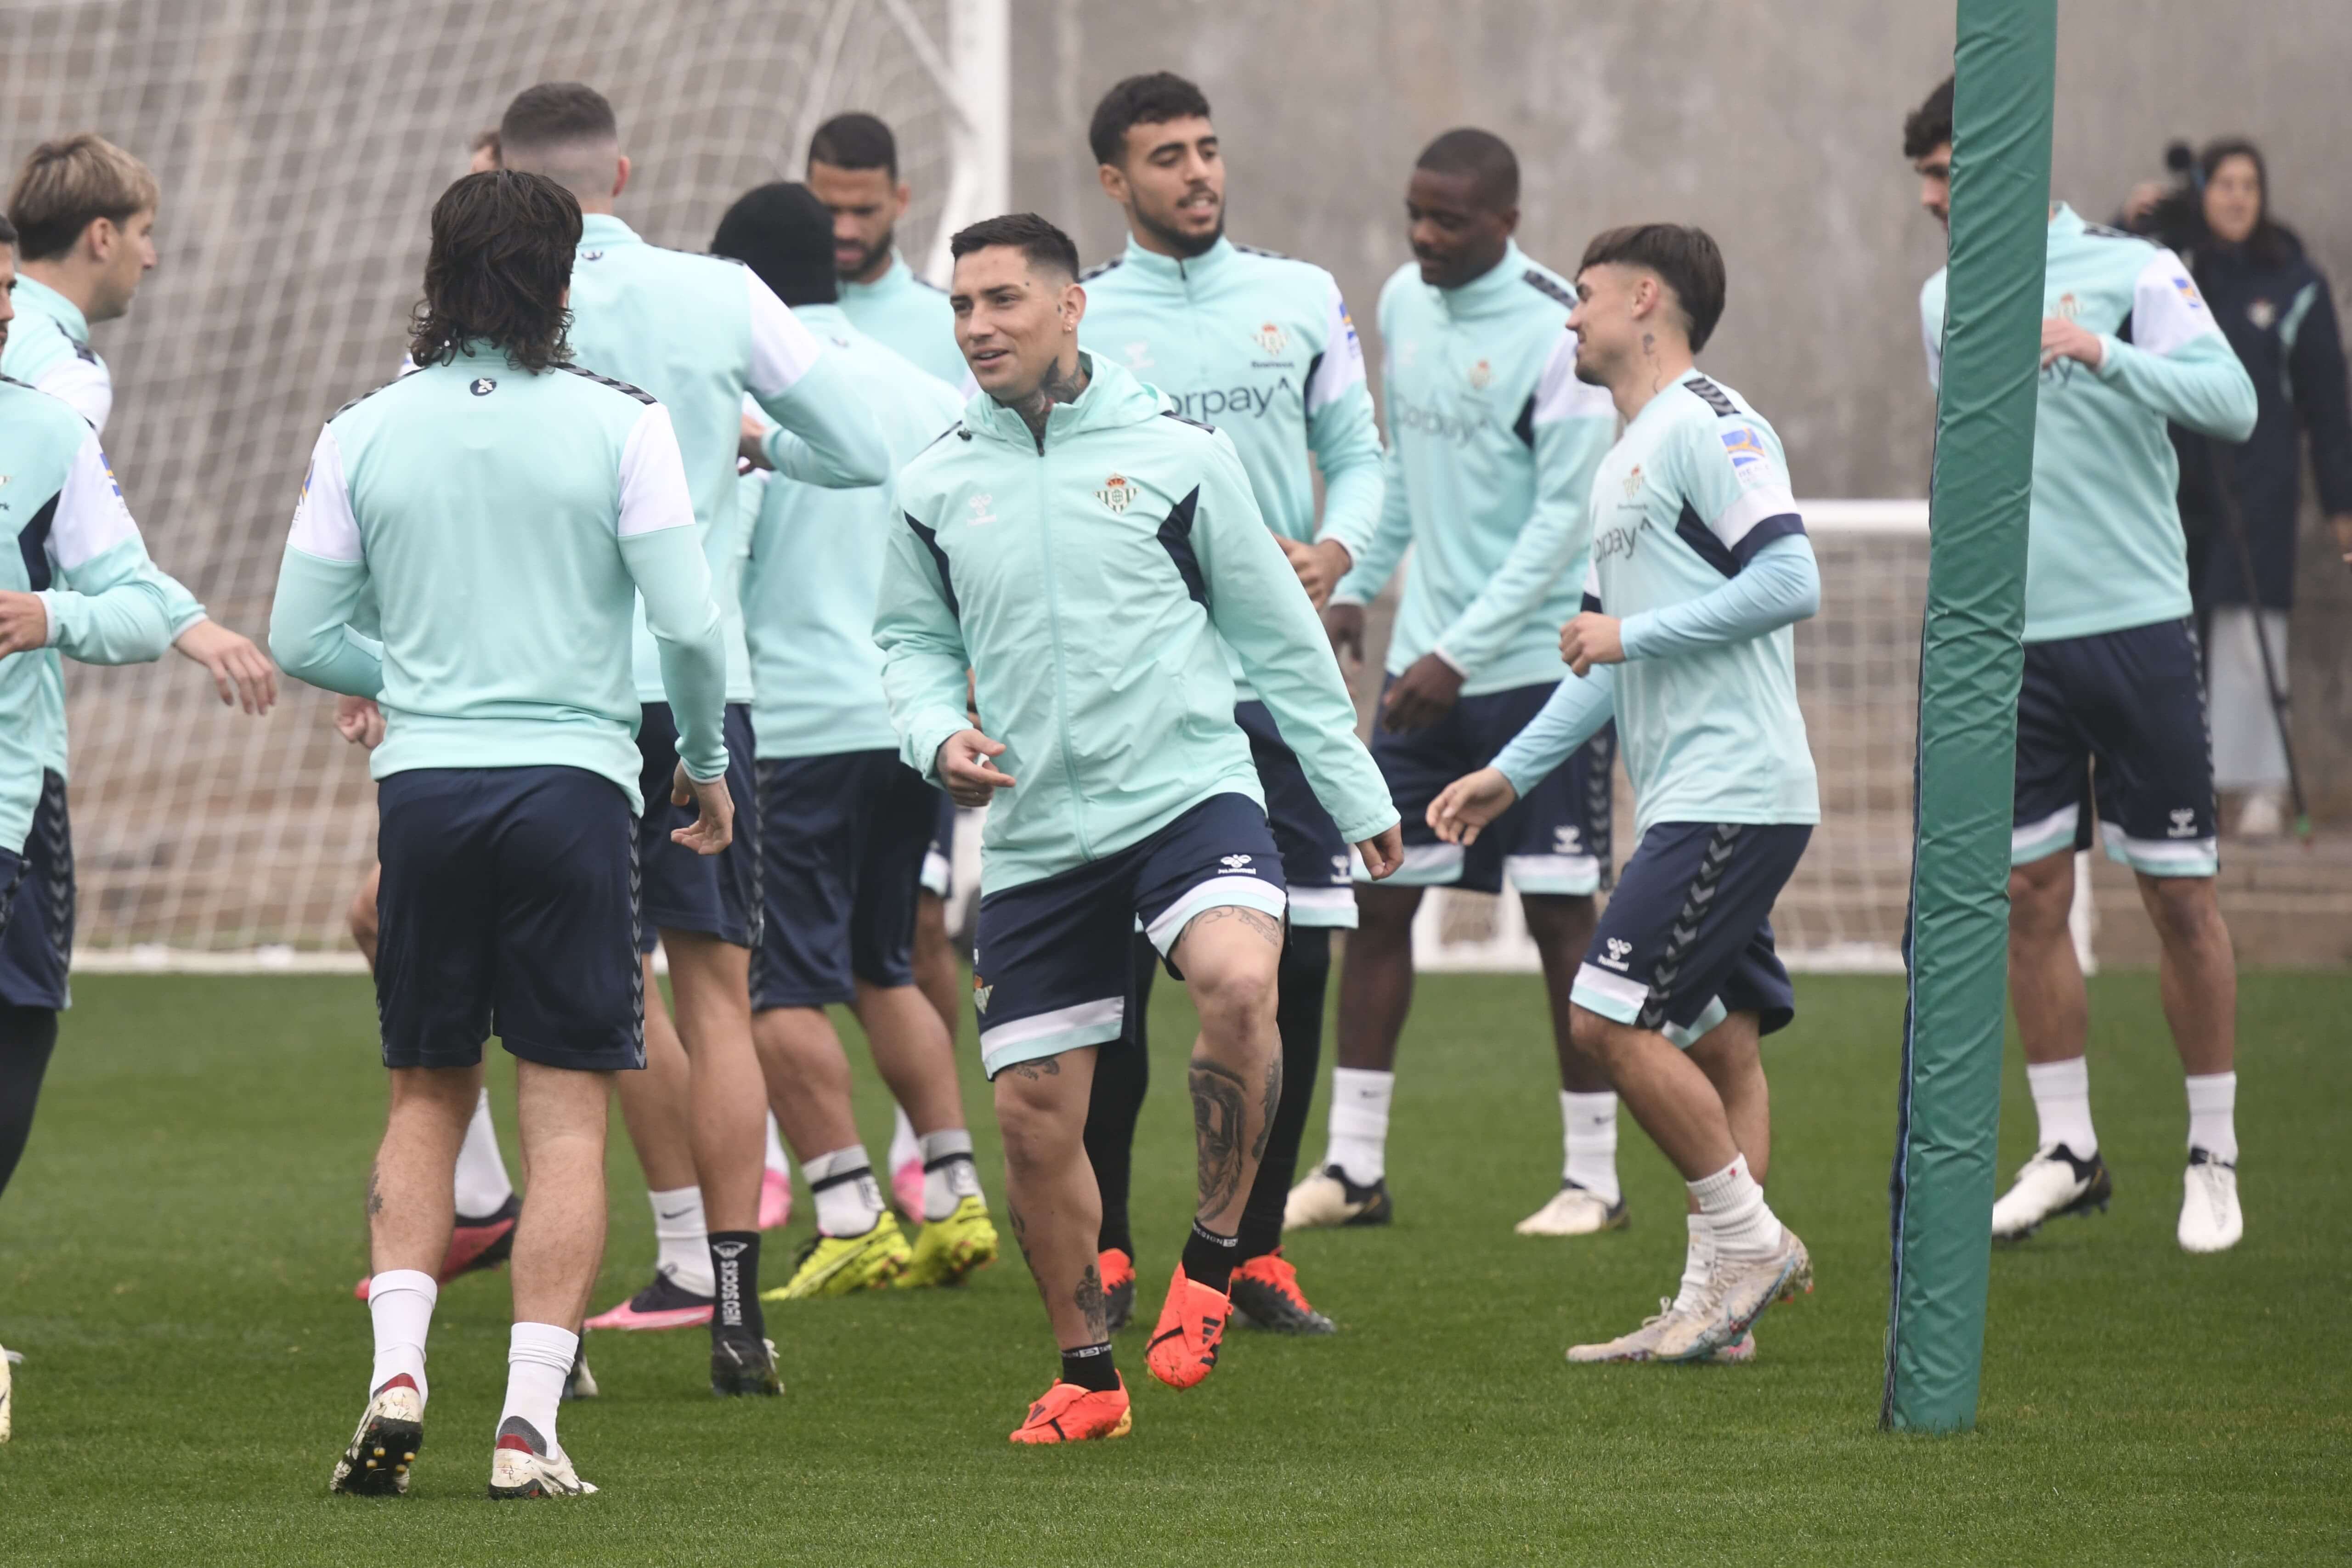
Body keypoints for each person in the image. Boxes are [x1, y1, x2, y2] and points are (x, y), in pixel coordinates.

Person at [876, 213, 1402, 1443]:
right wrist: (932, 736)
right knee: (1030, 1117)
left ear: (1071, 307)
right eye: (962, 306)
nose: (977, 326)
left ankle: (1213, 1258)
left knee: (1237, 981)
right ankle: (1086, 1376)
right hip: (1042, 830)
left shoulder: (1180, 454)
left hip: (1188, 792)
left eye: (1003, 299)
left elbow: (1280, 633)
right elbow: (906, 646)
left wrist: (1354, 790)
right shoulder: (936, 477)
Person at [268, 170, 735, 1497]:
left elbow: (305, 636)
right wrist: (703, 766)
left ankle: (397, 1373)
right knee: (570, 1115)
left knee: (425, 1090)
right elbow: (692, 626)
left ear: (440, 271)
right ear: (565, 276)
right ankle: (528, 1420)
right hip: (575, 786)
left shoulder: (359, 429)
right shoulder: (620, 424)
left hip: (424, 793)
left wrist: (407, 675)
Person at [493, 82, 887, 1381]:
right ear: (623, 171)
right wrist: (752, 450)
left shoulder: (492, 302)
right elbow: (862, 442)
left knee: (567, 1008)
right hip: (698, 688)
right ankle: (736, 1309)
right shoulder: (718, 293)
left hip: (551, 698)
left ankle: (563, 1322)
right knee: (719, 993)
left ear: (507, 175)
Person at [1430, 222, 1820, 1364]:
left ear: (1644, 299)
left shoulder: (1713, 421)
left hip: (1732, 791)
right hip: (1694, 796)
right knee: (1725, 1043)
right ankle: (1721, 1312)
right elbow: (1608, 664)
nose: (1568, 317)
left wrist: (1627, 629)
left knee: (1603, 1016)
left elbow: (1790, 578)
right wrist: (1506, 776)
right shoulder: (1623, 454)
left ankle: (1749, 1245)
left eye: (1585, 296)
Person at [1905, 79, 2259, 1254]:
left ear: (2005, 161)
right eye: (1921, 176)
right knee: (2025, 895)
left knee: (2177, 895)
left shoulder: (2131, 269)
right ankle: (2068, 1147)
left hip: (2138, 627)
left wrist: (2103, 353)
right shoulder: (1942, 300)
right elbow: (1961, 468)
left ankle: (2211, 1151)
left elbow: (2233, 402)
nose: (1928, 198)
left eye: (1945, 172)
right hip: (2015, 646)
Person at [1074, 72, 1384, 1335]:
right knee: (1123, 981)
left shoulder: (1301, 295)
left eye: (1207, 151)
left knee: (1294, 963)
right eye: (1166, 158)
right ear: (1115, 181)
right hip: (1144, 698)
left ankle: (1253, 1251)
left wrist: (1340, 550)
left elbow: (1361, 458)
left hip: (1283, 689)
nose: (1198, 174)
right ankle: (1104, 1245)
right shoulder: (1082, 313)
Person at [1289, 129, 1623, 1238]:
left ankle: (1593, 1177)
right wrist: (1357, 583)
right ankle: (1354, 1168)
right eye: (1414, 215)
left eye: (1449, 221)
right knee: (1379, 899)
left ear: (1506, 222)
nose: (1424, 238)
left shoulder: (1553, 327)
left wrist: (1455, 654)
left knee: (1559, 915)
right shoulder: (1399, 301)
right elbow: (1399, 475)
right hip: (1428, 668)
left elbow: (1559, 524)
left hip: (1537, 671)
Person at [712, 181, 999, 1297]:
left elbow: (715, 567)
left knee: (774, 987)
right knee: (887, 962)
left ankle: (845, 1213)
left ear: (741, 287)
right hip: (906, 721)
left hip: (791, 725)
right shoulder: (923, 389)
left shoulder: (744, 400)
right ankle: (959, 1193)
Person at [1, 210, 187, 1441]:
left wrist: (47, 616)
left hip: (11, 804)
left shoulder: (45, 430)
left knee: (19, 1036)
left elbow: (139, 605)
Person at [342, 122, 525, 1315]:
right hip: (453, 733)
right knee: (378, 916)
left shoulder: (597, 387)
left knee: (613, 1031)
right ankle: (493, 1204)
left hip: (553, 738)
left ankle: (702, 1243)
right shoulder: (406, 401)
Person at [806, 110, 974, 1216]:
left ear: (901, 203)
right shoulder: (768, 322)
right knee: (785, 961)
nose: (846, 226)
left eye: (865, 207)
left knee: (910, 933)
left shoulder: (941, 327)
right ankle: (791, 1157)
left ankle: (928, 1153)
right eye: (827, 205)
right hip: (793, 689)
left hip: (903, 685)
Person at [2, 135, 277, 720]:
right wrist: (183, 620)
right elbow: (58, 522)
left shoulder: (19, 332)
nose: (150, 257)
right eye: (144, 231)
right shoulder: (66, 373)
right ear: (103, 237)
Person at [2127, 139, 2352, 838]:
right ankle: (2188, 784)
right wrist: (2135, 218)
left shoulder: (2294, 283)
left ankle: (2259, 787)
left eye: (2248, 185)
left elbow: (2327, 404)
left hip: (2258, 488)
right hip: (2175, 488)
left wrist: (2342, 505)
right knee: (2175, 632)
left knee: (2249, 637)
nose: (2235, 198)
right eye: (2223, 184)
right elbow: (2115, 297)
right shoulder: (2174, 266)